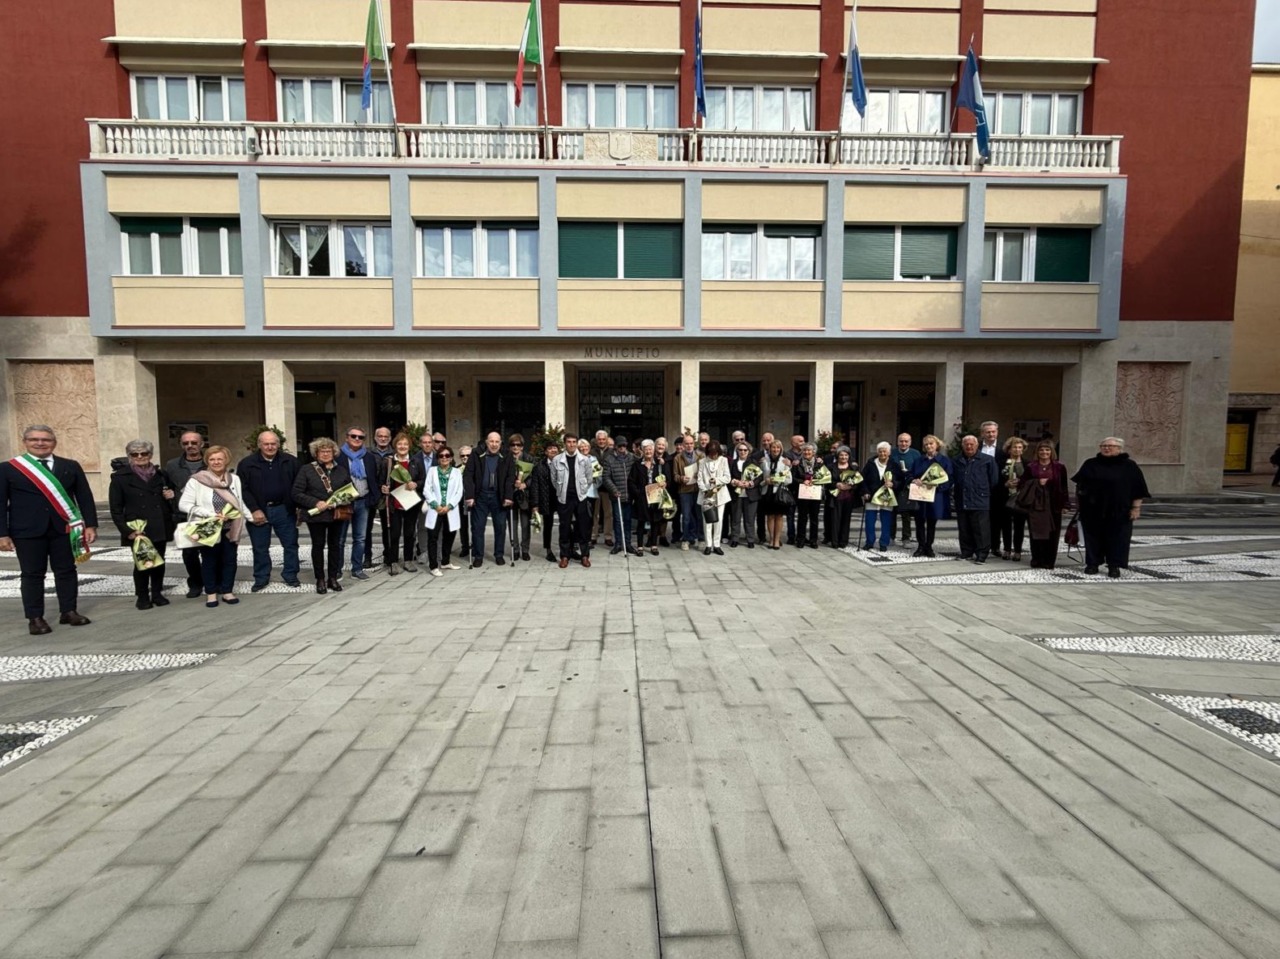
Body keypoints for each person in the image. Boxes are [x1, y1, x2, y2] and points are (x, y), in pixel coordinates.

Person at [0, 425, 98, 634]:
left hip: (63, 528)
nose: (40, 443)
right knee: (32, 575)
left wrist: (90, 524)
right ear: (25, 442)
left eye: (45, 439)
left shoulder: (69, 466)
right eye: (34, 439)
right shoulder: (9, 468)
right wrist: (2, 533)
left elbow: (84, 496)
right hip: (27, 531)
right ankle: (35, 618)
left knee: (67, 571)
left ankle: (69, 611)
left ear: (54, 442)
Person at [109, 439, 176, 610]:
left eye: (144, 453)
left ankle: (157, 592)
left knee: (159, 561)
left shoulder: (161, 475)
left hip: (159, 522)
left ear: (150, 455)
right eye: (135, 454)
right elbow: (116, 509)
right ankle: (142, 595)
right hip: (137, 527)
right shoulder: (120, 478)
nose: (140, 457)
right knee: (142, 562)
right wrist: (126, 530)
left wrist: (171, 496)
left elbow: (171, 496)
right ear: (129, 456)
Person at [1071, 436, 1151, 578]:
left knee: (1118, 538)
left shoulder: (1129, 466)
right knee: (1092, 537)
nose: (1106, 448)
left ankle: (1114, 566)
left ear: (1119, 449)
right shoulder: (1091, 464)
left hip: (1120, 509)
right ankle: (1092, 563)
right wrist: (1079, 505)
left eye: (1110, 446)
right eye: (1104, 446)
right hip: (1092, 509)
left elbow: (1138, 489)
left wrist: (1136, 508)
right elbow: (1079, 485)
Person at [178, 444, 245, 607]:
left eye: (219, 459)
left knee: (230, 560)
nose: (216, 462)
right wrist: (209, 514)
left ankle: (227, 591)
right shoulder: (197, 480)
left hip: (230, 526)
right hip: (208, 527)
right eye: (212, 459)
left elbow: (238, 502)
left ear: (226, 460)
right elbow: (184, 504)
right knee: (209, 560)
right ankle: (211, 593)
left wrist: (238, 516)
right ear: (207, 461)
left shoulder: (234, 479)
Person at [237, 430, 301, 592]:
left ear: (279, 445)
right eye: (266, 444)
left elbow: (299, 486)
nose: (270, 447)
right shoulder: (247, 464)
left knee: (291, 545)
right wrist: (254, 509)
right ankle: (261, 577)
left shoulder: (291, 461)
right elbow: (242, 490)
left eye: (273, 443)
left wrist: (298, 507)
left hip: (284, 510)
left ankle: (291, 575)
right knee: (260, 547)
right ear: (259, 445)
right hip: (259, 510)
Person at [291, 437, 350, 594]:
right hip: (316, 515)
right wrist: (315, 502)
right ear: (316, 453)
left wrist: (338, 501)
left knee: (335, 546)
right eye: (322, 451)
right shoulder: (306, 470)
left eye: (328, 451)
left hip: (336, 514)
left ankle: (332, 577)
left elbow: (350, 491)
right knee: (318, 546)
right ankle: (320, 579)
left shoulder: (342, 470)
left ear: (334, 452)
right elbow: (297, 493)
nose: (325, 454)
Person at [164, 430, 207, 598]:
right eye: (186, 443)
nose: (190, 446)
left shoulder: (210, 461)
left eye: (194, 443)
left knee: (210, 551)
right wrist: (170, 495)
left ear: (201, 444)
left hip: (207, 514)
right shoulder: (172, 465)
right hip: (184, 515)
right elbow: (167, 486)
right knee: (189, 552)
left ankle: (211, 581)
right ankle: (195, 583)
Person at [463, 431, 515, 568]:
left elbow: (511, 477)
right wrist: (470, 496)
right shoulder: (476, 453)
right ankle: (478, 556)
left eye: (497, 442)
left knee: (500, 527)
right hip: (481, 496)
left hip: (499, 496)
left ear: (500, 443)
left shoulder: (507, 455)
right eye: (491, 441)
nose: (494, 444)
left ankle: (499, 555)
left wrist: (509, 496)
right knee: (478, 527)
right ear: (487, 442)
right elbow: (468, 475)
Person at [378, 432, 424, 574]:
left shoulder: (416, 462)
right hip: (394, 503)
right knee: (394, 533)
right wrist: (383, 488)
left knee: (410, 533)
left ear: (409, 446)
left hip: (410, 503)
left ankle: (408, 560)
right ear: (395, 446)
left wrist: (416, 484)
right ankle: (393, 561)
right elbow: (380, 480)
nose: (402, 446)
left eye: (405, 444)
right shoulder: (388, 462)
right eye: (400, 444)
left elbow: (423, 480)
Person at [336, 427, 379, 581]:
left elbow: (373, 477)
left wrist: (374, 497)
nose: (357, 439)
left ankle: (357, 568)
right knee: (340, 539)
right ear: (347, 437)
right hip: (344, 503)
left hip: (363, 501)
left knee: (360, 538)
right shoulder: (338, 456)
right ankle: (337, 569)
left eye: (361, 437)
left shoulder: (368, 457)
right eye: (353, 436)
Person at [1020, 440, 1070, 569]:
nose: (1044, 452)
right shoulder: (1031, 466)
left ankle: (1049, 561)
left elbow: (1064, 486)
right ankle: (1036, 558)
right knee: (1036, 532)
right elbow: (1023, 483)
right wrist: (1037, 482)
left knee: (1052, 533)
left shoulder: (1059, 467)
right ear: (1037, 452)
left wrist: (1065, 505)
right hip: (1036, 505)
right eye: (1041, 450)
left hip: (1054, 504)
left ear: (1051, 452)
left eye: (1047, 450)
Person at [951, 435, 999, 563]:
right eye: (966, 444)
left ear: (977, 445)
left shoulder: (987, 460)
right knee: (964, 528)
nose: (969, 446)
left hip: (980, 500)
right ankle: (966, 552)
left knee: (981, 529)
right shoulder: (956, 460)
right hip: (962, 499)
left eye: (972, 444)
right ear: (962, 446)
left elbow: (993, 480)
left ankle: (981, 554)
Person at [553, 431, 595, 567]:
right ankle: (565, 555)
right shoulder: (557, 460)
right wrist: (561, 489)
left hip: (580, 497)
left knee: (583, 527)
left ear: (577, 444)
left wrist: (582, 490)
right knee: (564, 527)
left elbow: (589, 479)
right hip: (564, 498)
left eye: (574, 442)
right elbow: (554, 479)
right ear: (565, 444)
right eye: (569, 442)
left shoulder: (585, 460)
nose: (571, 445)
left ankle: (584, 555)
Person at [908, 435, 953, 558]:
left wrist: (937, 486)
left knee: (932, 522)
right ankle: (920, 546)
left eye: (931, 444)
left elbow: (949, 479)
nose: (929, 446)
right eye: (926, 444)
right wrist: (914, 480)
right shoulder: (918, 460)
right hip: (920, 496)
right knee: (919, 522)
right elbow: (910, 475)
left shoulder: (944, 461)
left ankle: (929, 546)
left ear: (936, 445)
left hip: (935, 496)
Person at [422, 445, 463, 576]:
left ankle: (445, 561)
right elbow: (426, 490)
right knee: (433, 537)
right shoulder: (432, 471)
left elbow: (459, 492)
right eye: (441, 456)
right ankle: (433, 566)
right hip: (436, 509)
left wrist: (449, 506)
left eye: (447, 456)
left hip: (450, 509)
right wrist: (436, 505)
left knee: (449, 535)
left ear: (451, 458)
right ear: (438, 458)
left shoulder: (456, 472)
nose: (444, 458)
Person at [600, 434, 638, 556]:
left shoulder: (631, 457)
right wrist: (613, 489)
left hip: (629, 495)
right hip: (617, 495)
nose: (622, 448)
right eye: (620, 445)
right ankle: (618, 544)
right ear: (615, 446)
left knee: (627, 520)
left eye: (624, 445)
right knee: (618, 520)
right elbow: (606, 477)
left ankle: (628, 543)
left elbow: (643, 463)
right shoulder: (609, 459)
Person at [629, 439, 664, 555]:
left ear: (653, 450)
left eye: (650, 449)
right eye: (646, 449)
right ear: (642, 451)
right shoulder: (637, 464)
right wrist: (638, 493)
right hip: (642, 497)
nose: (648, 451)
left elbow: (666, 477)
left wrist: (664, 483)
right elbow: (631, 481)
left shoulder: (659, 464)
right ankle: (640, 546)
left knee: (655, 522)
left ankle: (654, 545)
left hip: (655, 496)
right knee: (641, 522)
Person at [697, 439, 732, 555]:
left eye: (715, 453)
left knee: (719, 520)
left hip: (720, 494)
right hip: (706, 494)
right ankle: (708, 545)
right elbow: (699, 479)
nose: (713, 456)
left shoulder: (724, 460)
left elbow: (727, 478)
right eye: (711, 453)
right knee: (707, 520)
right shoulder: (702, 462)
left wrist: (716, 480)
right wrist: (705, 490)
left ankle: (717, 544)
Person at [979, 421, 1007, 560]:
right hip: (980, 489)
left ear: (997, 432)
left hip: (998, 490)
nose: (991, 434)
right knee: (980, 519)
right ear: (982, 433)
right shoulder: (976, 447)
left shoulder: (1004, 449)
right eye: (988, 432)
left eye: (993, 431)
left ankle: (995, 546)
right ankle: (980, 545)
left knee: (997, 520)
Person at [998, 436, 1029, 561]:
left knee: (1019, 526)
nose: (1017, 450)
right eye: (1014, 447)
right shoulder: (1002, 463)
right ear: (1009, 449)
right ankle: (1006, 549)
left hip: (1021, 499)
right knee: (1006, 525)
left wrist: (1021, 483)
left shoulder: (1027, 464)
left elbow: (1030, 480)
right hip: (1005, 497)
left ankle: (1017, 550)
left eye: (1020, 447)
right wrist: (1005, 484)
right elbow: (997, 480)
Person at [367, 426, 394, 570]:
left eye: (386, 436)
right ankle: (367, 557)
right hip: (370, 494)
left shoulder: (393, 453)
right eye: (380, 436)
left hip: (386, 496)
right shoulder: (367, 453)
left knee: (387, 527)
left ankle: (388, 556)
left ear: (390, 438)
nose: (383, 438)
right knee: (367, 528)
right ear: (375, 437)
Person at [529, 439, 559, 561]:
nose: (553, 450)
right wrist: (535, 504)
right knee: (548, 525)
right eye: (550, 449)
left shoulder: (563, 463)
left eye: (555, 448)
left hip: (561, 498)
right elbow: (535, 486)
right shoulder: (539, 466)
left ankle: (570, 548)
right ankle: (548, 549)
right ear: (546, 452)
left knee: (568, 524)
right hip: (546, 499)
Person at [791, 442, 826, 548]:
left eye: (809, 450)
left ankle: (813, 540)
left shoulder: (819, 464)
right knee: (802, 517)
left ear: (814, 452)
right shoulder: (798, 464)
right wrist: (802, 481)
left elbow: (824, 477)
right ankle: (801, 539)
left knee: (814, 517)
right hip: (802, 493)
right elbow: (793, 478)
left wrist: (815, 481)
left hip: (815, 493)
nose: (807, 452)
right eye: (805, 450)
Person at [671, 434, 702, 551]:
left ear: (694, 444)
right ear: (683, 445)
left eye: (691, 443)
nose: (689, 446)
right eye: (686, 444)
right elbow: (675, 475)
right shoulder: (677, 458)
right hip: (684, 491)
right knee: (686, 516)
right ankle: (686, 539)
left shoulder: (700, 456)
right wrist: (681, 478)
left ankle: (700, 538)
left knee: (698, 515)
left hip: (697, 489)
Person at [760, 439, 793, 550]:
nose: (775, 450)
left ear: (781, 449)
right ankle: (771, 539)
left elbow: (789, 480)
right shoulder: (764, 461)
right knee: (770, 516)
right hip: (767, 491)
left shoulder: (785, 462)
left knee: (779, 516)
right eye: (773, 447)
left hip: (779, 492)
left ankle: (777, 540)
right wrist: (766, 481)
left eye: (778, 448)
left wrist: (778, 480)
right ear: (770, 449)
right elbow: (759, 478)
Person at [727, 440, 760, 548]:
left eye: (745, 450)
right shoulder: (732, 463)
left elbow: (759, 477)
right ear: (737, 451)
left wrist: (750, 483)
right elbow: (728, 476)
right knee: (735, 518)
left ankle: (750, 539)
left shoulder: (753, 462)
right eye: (740, 450)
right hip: (736, 494)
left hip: (750, 494)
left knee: (750, 518)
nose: (742, 452)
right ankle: (735, 538)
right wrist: (735, 482)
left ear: (748, 451)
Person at [889, 433, 921, 544]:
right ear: (897, 441)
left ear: (910, 442)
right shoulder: (891, 453)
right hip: (893, 487)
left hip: (908, 488)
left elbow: (919, 470)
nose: (903, 443)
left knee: (906, 514)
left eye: (906, 441)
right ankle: (890, 537)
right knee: (891, 513)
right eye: (901, 441)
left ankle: (906, 538)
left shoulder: (916, 454)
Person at [508, 433, 534, 562]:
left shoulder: (529, 458)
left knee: (525, 525)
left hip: (524, 496)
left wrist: (525, 484)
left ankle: (525, 550)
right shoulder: (506, 459)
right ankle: (515, 549)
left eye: (518, 445)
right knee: (512, 524)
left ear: (522, 447)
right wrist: (513, 483)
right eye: (513, 445)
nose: (515, 447)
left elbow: (533, 476)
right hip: (511, 496)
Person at [828, 446, 858, 550]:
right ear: (837, 456)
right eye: (841, 455)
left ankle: (843, 541)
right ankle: (834, 541)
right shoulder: (831, 467)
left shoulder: (853, 468)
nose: (843, 457)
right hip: (835, 497)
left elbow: (858, 481)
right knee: (835, 519)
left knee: (846, 519)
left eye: (846, 455)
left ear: (849, 456)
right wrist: (836, 484)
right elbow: (827, 481)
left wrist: (851, 485)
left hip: (848, 497)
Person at [590, 430, 614, 547]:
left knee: (608, 513)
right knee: (595, 513)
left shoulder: (612, 452)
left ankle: (608, 537)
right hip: (594, 488)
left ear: (607, 439)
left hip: (607, 488)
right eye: (599, 439)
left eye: (603, 439)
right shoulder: (591, 451)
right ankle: (593, 536)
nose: (601, 441)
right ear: (596, 440)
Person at [456, 445, 473, 559]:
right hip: (460, 501)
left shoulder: (476, 468)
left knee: (475, 525)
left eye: (468, 455)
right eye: (463, 455)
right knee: (463, 525)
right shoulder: (456, 469)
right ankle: (465, 547)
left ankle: (475, 547)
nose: (465, 457)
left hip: (473, 500)